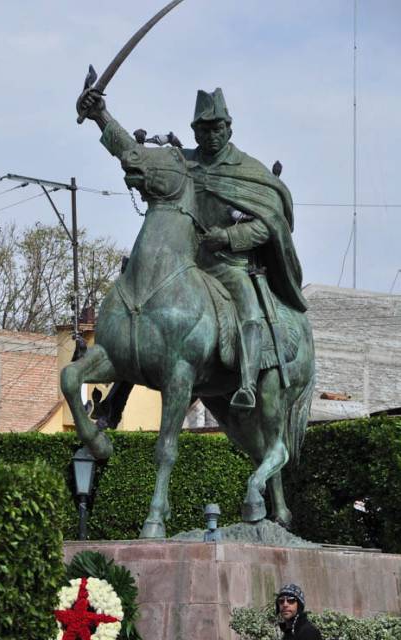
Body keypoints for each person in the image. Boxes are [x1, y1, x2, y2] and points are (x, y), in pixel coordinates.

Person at [76, 86, 307, 411]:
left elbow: (269, 225)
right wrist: (100, 115)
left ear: (229, 128)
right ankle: (115, 400)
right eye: (204, 129)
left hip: (228, 264)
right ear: (195, 132)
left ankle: (246, 384)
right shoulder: (181, 162)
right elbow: (132, 152)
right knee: (136, 306)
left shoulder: (250, 172)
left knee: (248, 309)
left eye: (217, 128)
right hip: (185, 260)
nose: (211, 135)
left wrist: (229, 238)